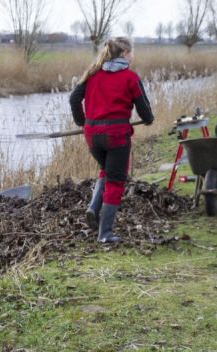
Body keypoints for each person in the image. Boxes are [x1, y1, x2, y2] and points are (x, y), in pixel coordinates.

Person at [69, 37, 154, 243]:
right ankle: (105, 234)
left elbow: (73, 99)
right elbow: (145, 111)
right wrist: (148, 119)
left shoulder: (92, 74)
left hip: (92, 135)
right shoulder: (130, 77)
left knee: (106, 171)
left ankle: (93, 208)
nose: (133, 56)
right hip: (116, 136)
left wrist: (83, 122)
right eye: (132, 52)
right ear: (125, 54)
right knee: (116, 181)